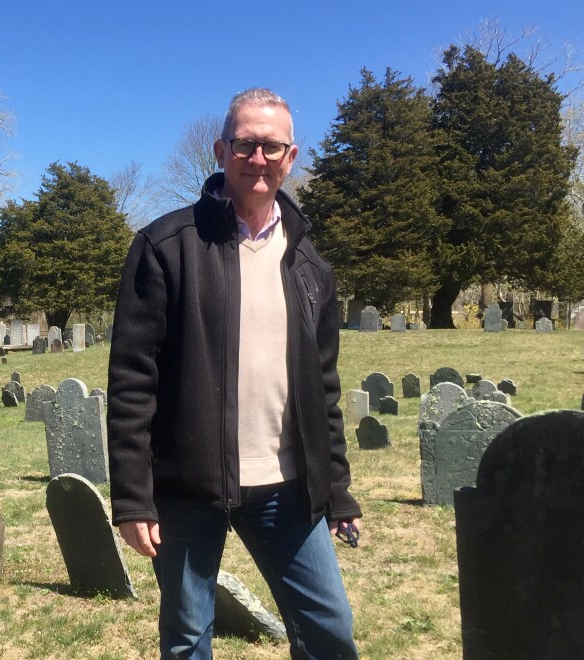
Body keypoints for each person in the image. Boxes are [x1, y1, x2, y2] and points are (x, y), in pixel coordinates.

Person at [107, 88, 361, 659]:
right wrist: (133, 498)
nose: (259, 158)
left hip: (287, 488)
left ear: (291, 157)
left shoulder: (310, 264)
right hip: (188, 487)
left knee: (330, 632)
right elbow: (132, 380)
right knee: (188, 638)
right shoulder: (166, 246)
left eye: (272, 147)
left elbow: (324, 388)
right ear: (221, 151)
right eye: (246, 145)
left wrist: (337, 491)